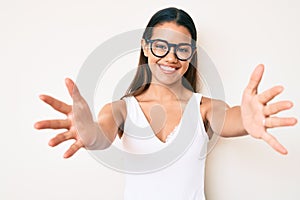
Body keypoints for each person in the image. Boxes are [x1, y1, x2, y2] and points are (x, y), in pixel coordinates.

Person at [34, 7, 297, 200]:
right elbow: (100, 134)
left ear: (191, 54)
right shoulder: (122, 109)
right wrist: (87, 132)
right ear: (146, 47)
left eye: (182, 49)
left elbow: (231, 118)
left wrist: (248, 120)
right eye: (160, 46)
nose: (170, 57)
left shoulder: (203, 107)